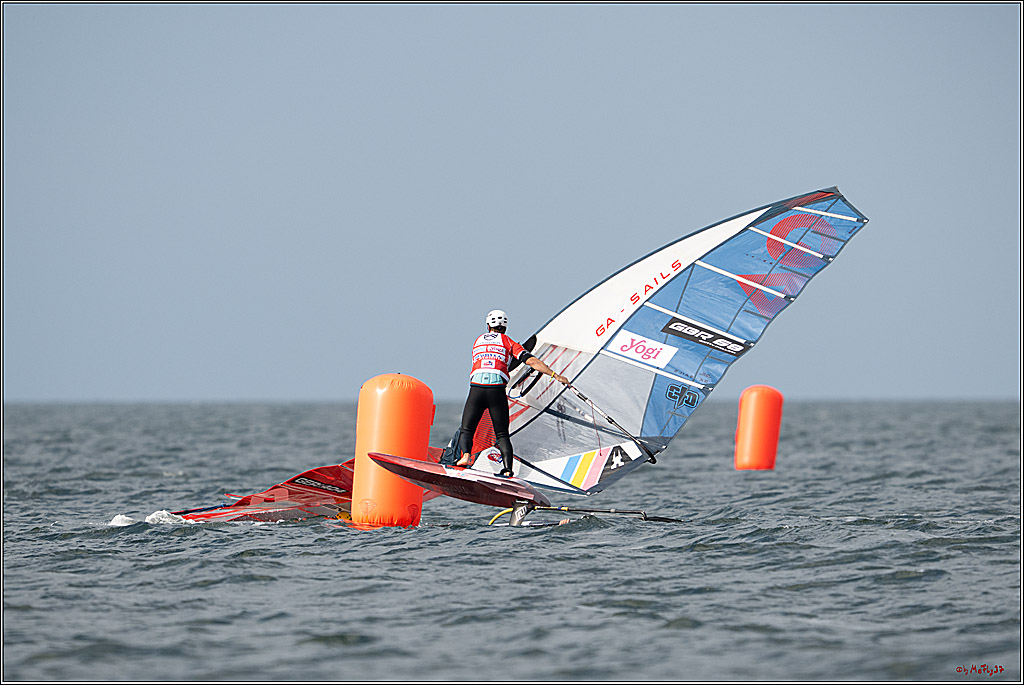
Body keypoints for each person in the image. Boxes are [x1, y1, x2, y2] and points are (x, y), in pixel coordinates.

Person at [457, 309, 568, 477]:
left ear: (488, 326)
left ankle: (465, 456)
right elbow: (531, 361)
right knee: (501, 434)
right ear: (505, 326)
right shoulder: (508, 342)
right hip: (496, 391)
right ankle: (508, 469)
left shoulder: (478, 341)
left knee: (467, 429)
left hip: (477, 389)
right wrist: (555, 375)